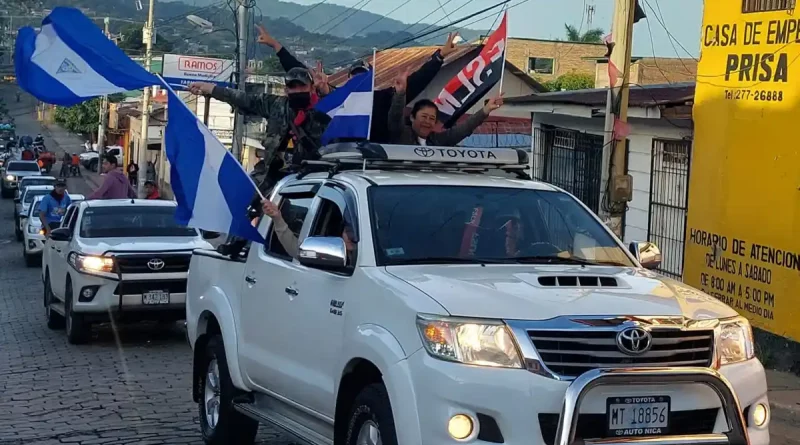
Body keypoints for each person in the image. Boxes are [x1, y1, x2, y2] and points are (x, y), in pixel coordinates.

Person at [256, 23, 462, 143]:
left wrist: (440, 56)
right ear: (349, 79)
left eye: (363, 76)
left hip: (376, 163)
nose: (359, 80)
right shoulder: (339, 99)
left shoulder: (385, 98)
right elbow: (300, 74)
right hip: (342, 162)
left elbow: (417, 80)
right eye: (355, 76)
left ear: (371, 79)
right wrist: (276, 46)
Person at [187, 67, 331, 168]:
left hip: (312, 174)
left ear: (312, 88)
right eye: (293, 87)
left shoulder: (324, 109)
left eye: (302, 87)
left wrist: (327, 93)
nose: (298, 91)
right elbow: (243, 99)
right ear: (286, 90)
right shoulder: (276, 105)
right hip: (273, 174)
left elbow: (343, 112)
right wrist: (210, 88)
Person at [387, 71, 504, 146]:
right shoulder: (401, 134)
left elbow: (464, 129)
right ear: (412, 117)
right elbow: (395, 116)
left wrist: (486, 110)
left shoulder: (438, 140)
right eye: (424, 116)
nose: (427, 121)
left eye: (431, 118)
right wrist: (400, 93)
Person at [261, 199, 356, 262]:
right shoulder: (329, 254)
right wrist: (277, 218)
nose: (350, 235)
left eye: (354, 231)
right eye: (347, 229)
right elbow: (298, 251)